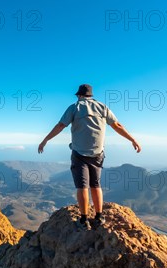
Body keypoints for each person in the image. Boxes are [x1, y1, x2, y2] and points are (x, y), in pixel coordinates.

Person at [38, 84, 141, 229]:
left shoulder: (75, 107)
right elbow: (117, 125)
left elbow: (61, 125)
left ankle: (84, 219)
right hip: (98, 153)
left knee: (82, 187)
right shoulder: (102, 107)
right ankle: (99, 217)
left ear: (79, 95)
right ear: (91, 95)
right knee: (96, 185)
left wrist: (45, 140)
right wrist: (132, 140)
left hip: (79, 153)